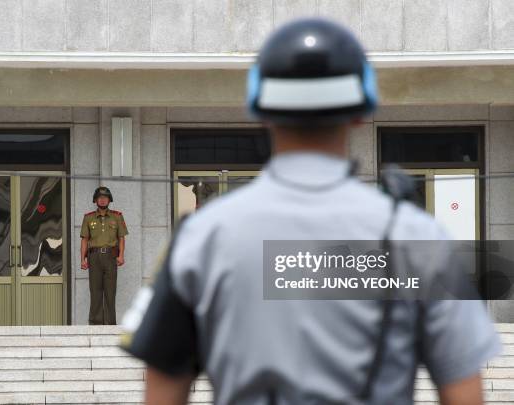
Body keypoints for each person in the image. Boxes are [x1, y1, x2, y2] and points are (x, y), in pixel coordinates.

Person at [119, 18, 501, 405]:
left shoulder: (201, 237)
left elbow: (163, 393)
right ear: (360, 110)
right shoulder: (417, 237)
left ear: (260, 109)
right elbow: (464, 393)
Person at [80, 186, 128, 325]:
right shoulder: (88, 218)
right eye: (100, 198)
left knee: (110, 291)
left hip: (110, 257)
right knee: (95, 291)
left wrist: (121, 256)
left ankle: (109, 323)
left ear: (109, 200)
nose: (102, 200)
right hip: (94, 257)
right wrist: (82, 259)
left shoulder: (117, 216)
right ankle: (95, 323)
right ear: (95, 200)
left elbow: (122, 238)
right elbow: (84, 239)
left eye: (105, 197)